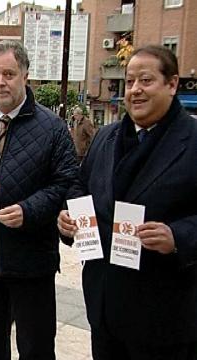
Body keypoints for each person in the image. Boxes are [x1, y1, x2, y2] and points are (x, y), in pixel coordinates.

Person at [57, 45, 197, 360]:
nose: (135, 90)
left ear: (172, 84)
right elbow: (80, 185)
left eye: (145, 81)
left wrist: (178, 237)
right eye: (130, 81)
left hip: (164, 316)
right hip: (105, 305)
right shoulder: (106, 137)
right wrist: (68, 218)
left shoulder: (192, 140)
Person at [0, 40, 77, 359]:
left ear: (25, 76)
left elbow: (67, 183)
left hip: (31, 264)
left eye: (9, 73)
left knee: (35, 349)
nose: (0, 82)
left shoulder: (53, 127)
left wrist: (29, 210)